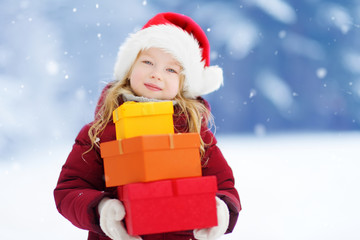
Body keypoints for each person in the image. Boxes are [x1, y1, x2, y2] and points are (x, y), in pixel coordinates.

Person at [54, 12, 241, 240]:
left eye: (171, 69)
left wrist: (220, 210)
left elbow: (225, 188)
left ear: (184, 84)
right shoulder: (99, 132)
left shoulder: (195, 134)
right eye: (148, 62)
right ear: (130, 67)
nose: (156, 74)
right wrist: (102, 209)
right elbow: (69, 190)